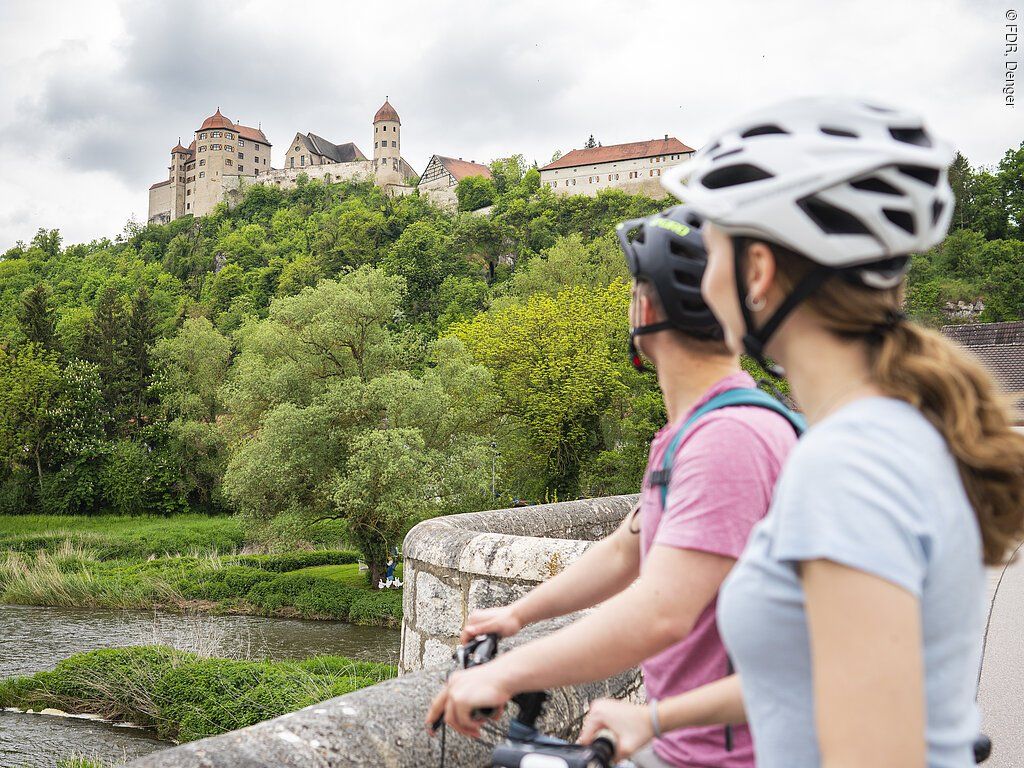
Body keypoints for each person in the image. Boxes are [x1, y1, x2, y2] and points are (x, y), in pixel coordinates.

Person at [579, 97, 1024, 768]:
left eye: (714, 246)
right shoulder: (888, 432)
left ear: (757, 272)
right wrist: (658, 715)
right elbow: (816, 673)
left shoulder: (850, 466)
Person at [424, 206, 802, 768]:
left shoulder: (728, 439)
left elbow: (661, 613)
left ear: (648, 307)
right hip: (691, 742)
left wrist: (508, 670)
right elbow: (627, 548)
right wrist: (518, 615)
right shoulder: (697, 429)